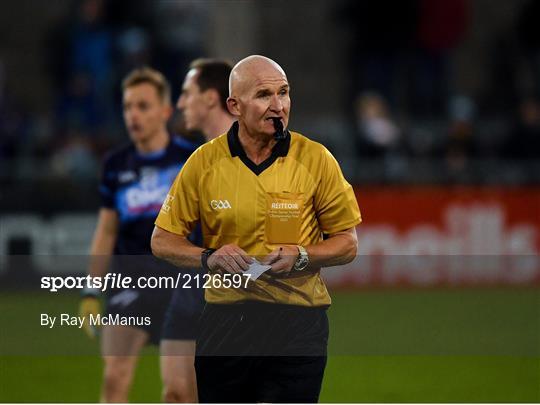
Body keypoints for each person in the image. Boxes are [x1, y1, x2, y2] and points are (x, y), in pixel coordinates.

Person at [151, 55, 361, 403]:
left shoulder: (316, 159)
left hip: (298, 322)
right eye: (264, 95)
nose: (278, 105)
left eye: (284, 92)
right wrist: (209, 257)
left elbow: (347, 244)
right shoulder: (204, 163)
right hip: (227, 322)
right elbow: (162, 240)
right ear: (234, 105)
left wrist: (302, 255)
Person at [78, 67, 200, 402]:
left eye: (143, 106)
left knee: (180, 391)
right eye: (128, 106)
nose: (133, 114)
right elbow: (107, 229)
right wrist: (91, 290)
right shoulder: (115, 164)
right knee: (115, 377)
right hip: (129, 283)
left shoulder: (191, 160)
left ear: (165, 110)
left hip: (180, 284)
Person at [159, 58, 234, 403]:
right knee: (176, 394)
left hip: (237, 300)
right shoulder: (193, 163)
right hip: (189, 290)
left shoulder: (259, 155)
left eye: (187, 93)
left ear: (209, 98)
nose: (180, 103)